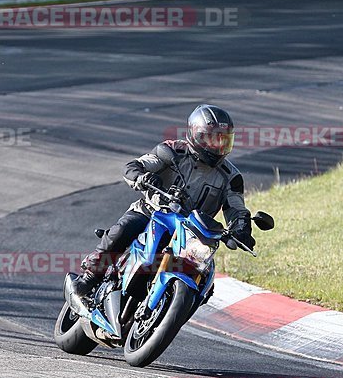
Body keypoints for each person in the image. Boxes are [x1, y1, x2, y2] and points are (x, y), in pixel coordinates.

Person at [73, 104, 255, 297]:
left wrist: (241, 228)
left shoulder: (231, 176)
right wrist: (143, 177)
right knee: (123, 230)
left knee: (206, 282)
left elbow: (237, 208)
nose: (218, 146)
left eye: (223, 140)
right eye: (212, 138)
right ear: (196, 134)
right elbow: (136, 166)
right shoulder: (173, 151)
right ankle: (92, 273)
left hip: (193, 235)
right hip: (151, 213)